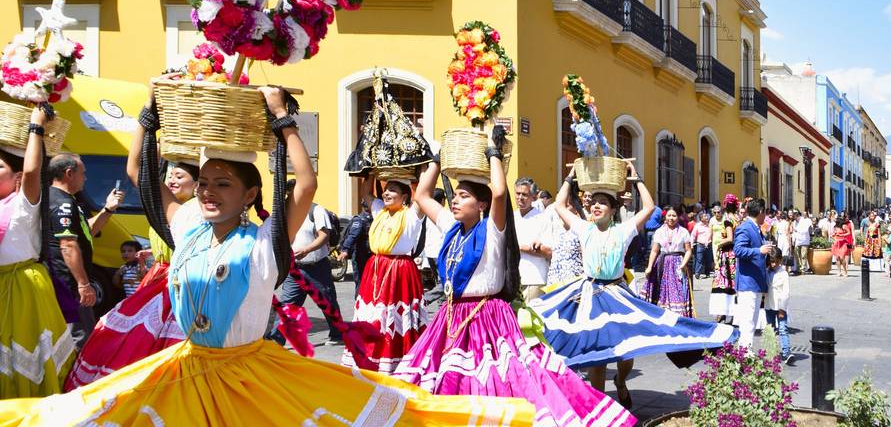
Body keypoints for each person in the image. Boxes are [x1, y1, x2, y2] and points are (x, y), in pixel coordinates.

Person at [0, 86, 535, 425]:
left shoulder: (263, 243)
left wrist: (282, 120)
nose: (207, 192)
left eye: (223, 184)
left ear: (251, 193)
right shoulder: (186, 222)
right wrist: (148, 118)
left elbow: (305, 181)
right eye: (203, 182)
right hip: (185, 368)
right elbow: (142, 174)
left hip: (248, 376)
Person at [395, 135, 633, 426]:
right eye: (455, 196)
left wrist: (494, 153)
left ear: (481, 204)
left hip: (486, 317)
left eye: (464, 196)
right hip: (451, 317)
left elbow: (498, 194)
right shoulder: (451, 228)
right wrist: (438, 159)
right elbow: (422, 196)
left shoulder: (492, 231)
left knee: (495, 381)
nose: (455, 200)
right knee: (443, 379)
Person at [530, 166, 736, 409]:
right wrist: (571, 175)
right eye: (593, 203)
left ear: (613, 209)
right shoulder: (584, 228)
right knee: (598, 355)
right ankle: (601, 407)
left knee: (626, 353)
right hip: (590, 295)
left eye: (603, 203)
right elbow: (560, 205)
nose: (596, 206)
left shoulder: (623, 230)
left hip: (617, 294)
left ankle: (620, 380)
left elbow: (649, 207)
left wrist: (636, 177)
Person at [63, 155, 198, 391]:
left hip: (178, 283)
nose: (172, 181)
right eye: (170, 176)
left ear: (197, 184)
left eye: (179, 176)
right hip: (157, 277)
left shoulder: (194, 212)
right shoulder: (165, 208)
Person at [0, 106, 75, 398]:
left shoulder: (23, 203)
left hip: (24, 290)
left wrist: (36, 127)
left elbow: (33, 170)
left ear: (17, 178)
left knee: (25, 359)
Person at [341, 173, 427, 373]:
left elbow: (424, 193)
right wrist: (370, 172)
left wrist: (425, 170)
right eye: (386, 189)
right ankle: (370, 354)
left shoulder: (412, 214)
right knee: (374, 314)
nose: (387, 193)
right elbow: (366, 194)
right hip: (375, 270)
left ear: (405, 196)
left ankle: (397, 359)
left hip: (400, 270)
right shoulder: (380, 211)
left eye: (393, 190)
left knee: (395, 316)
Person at [45, 154, 124, 349]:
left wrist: (108, 209)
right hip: (68, 286)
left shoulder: (66, 200)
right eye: (83, 173)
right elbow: (68, 245)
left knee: (84, 336)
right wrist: (83, 284)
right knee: (79, 341)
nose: (86, 178)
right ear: (69, 173)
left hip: (68, 285)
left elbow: (86, 231)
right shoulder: (62, 203)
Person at [269, 180, 343, 347]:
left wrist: (307, 250)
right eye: (288, 193)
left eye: (293, 192)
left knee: (327, 301)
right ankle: (276, 340)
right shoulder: (286, 213)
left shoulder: (317, 210)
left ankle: (337, 333)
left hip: (317, 267)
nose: (290, 196)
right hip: (294, 268)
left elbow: (323, 236)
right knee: (287, 304)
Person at [734, 198, 773, 350]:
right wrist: (759, 251)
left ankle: (746, 349)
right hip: (748, 282)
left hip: (755, 281)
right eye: (765, 213)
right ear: (761, 212)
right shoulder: (745, 228)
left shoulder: (755, 227)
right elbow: (738, 250)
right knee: (748, 320)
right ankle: (744, 351)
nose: (766, 217)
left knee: (752, 319)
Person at [641, 208, 693, 317]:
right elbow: (655, 251)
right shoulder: (659, 231)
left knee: (678, 290)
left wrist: (683, 264)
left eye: (674, 215)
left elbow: (688, 250)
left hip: (678, 264)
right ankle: (662, 313)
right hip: (663, 264)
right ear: (665, 216)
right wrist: (649, 267)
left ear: (678, 217)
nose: (671, 218)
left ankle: (678, 315)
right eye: (669, 215)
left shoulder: (683, 232)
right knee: (662, 289)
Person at [514, 177, 552, 301]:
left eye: (524, 194)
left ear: (533, 197)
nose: (520, 197)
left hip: (534, 279)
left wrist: (521, 247)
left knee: (531, 319)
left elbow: (549, 252)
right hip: (513, 279)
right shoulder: (511, 217)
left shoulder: (542, 219)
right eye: (518, 193)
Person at [338, 199, 372, 299]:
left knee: (366, 281)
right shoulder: (360, 219)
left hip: (370, 255)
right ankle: (359, 302)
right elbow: (353, 235)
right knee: (361, 281)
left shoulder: (375, 218)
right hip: (360, 255)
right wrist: (345, 250)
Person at [763, 247, 793, 364]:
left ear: (780, 260)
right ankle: (771, 352)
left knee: (783, 329)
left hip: (780, 306)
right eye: (771, 261)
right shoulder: (766, 271)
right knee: (770, 329)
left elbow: (786, 293)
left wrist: (782, 309)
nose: (773, 264)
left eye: (775, 261)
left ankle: (786, 352)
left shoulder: (784, 274)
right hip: (769, 305)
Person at [708, 214, 737, 324]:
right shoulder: (736, 219)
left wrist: (719, 243)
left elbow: (730, 238)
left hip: (728, 255)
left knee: (726, 283)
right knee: (727, 284)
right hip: (729, 255)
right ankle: (725, 312)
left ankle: (727, 313)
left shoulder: (729, 220)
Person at [831, 213, 854, 278]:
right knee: (837, 258)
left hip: (843, 243)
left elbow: (849, 232)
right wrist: (833, 236)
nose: (835, 220)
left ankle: (845, 271)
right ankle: (839, 271)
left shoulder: (844, 226)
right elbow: (833, 234)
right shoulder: (835, 227)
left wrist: (842, 235)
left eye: (836, 219)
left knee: (842, 257)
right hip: (837, 243)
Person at [691, 211, 713, 279]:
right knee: (699, 259)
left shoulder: (710, 225)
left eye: (706, 216)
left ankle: (707, 272)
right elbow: (693, 235)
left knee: (709, 259)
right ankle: (697, 273)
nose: (707, 217)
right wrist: (691, 243)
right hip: (700, 245)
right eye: (705, 216)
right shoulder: (697, 226)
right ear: (701, 218)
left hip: (709, 245)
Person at [792, 210, 813, 275]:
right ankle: (799, 268)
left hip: (804, 240)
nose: (795, 219)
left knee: (803, 255)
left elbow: (805, 230)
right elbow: (794, 231)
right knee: (797, 255)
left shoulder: (804, 221)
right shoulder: (794, 222)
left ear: (798, 216)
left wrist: (797, 230)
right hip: (797, 240)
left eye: (795, 217)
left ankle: (803, 269)